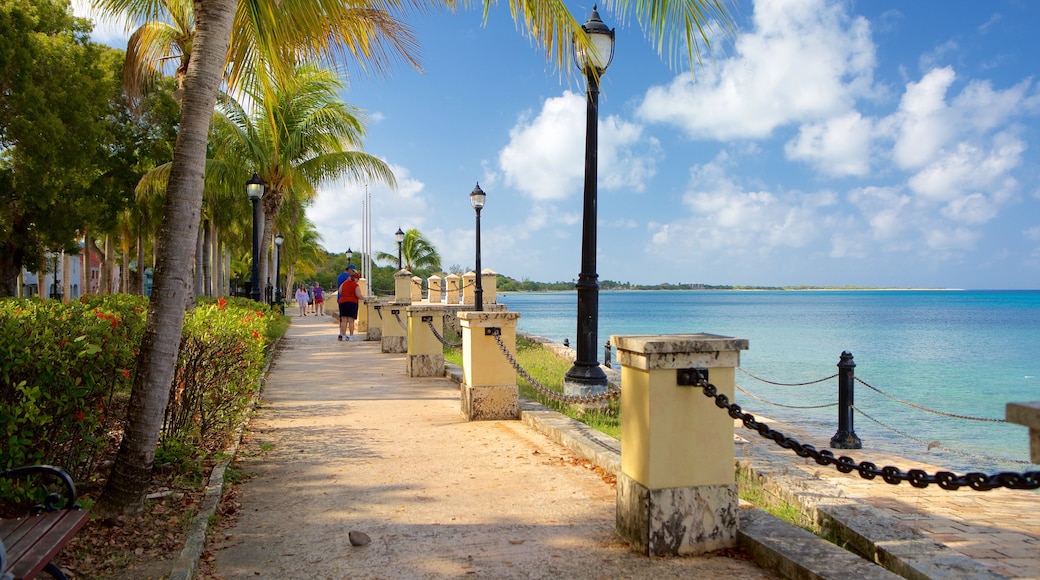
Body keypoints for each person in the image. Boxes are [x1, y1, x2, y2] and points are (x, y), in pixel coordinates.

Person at [337, 271, 364, 341]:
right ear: (355, 279)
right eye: (358, 279)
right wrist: (364, 298)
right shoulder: (355, 285)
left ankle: (343, 336)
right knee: (351, 321)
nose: (358, 280)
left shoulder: (344, 284)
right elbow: (358, 295)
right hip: (352, 303)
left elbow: (340, 291)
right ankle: (351, 336)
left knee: (344, 321)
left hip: (342, 302)